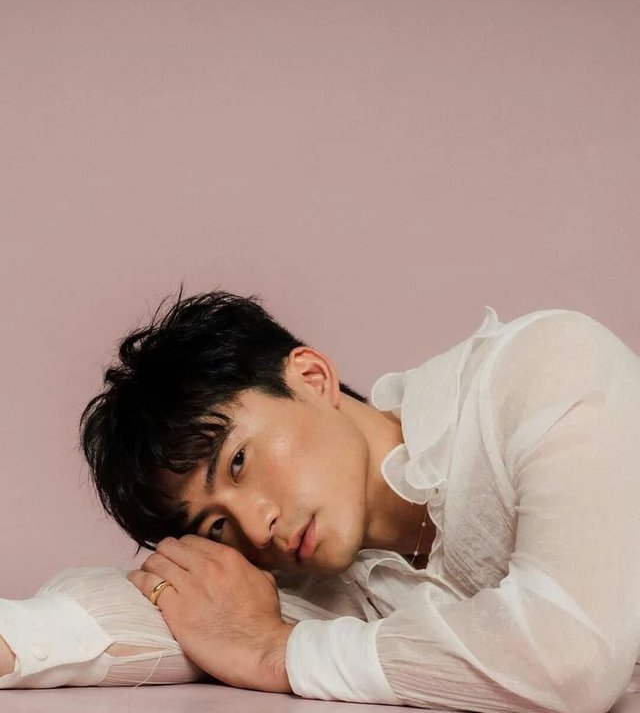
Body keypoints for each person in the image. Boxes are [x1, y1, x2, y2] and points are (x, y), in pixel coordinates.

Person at [2, 289, 640, 712]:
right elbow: (171, 612)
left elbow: (570, 657)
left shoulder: (546, 369)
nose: (256, 526)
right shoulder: (320, 582)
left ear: (312, 377)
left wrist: (276, 652)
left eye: (239, 461)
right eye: (216, 526)